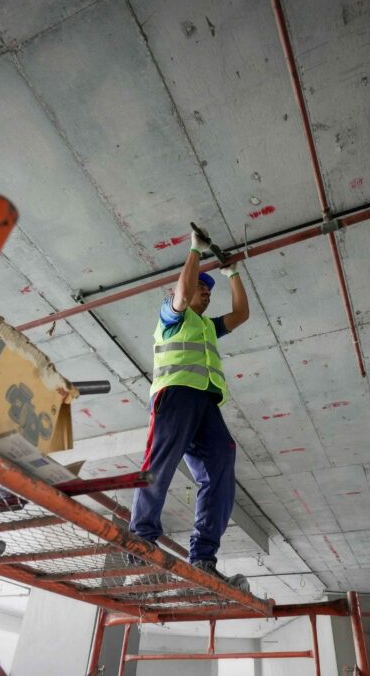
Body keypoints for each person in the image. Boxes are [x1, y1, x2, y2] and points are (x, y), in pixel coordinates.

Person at [129, 226, 250, 590]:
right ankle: (141, 539)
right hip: (175, 397)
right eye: (202, 286)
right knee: (161, 462)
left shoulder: (209, 328)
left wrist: (232, 273)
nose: (206, 293)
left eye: (210, 291)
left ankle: (203, 557)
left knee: (221, 462)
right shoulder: (172, 317)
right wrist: (195, 251)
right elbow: (182, 293)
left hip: (206, 404)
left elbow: (241, 314)